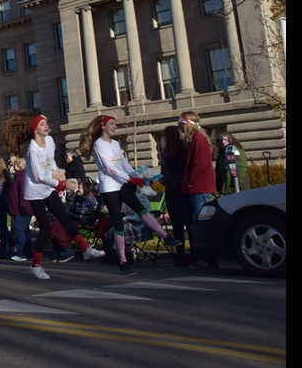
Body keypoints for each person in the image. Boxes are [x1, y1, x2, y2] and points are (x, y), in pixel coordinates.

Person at [1, 111, 105, 281]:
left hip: (48, 188)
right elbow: (39, 176)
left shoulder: (49, 141)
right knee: (44, 228)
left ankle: (85, 249)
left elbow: (51, 163)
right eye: (43, 124)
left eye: (47, 123)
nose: (47, 126)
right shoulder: (32, 150)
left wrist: (59, 173)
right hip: (35, 191)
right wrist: (61, 184)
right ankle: (35, 265)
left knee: (63, 217)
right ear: (35, 130)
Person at [78, 115, 182, 275]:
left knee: (141, 209)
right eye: (112, 124)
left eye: (115, 124)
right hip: (110, 188)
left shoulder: (115, 143)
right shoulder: (99, 145)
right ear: (103, 126)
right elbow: (109, 168)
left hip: (122, 184)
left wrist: (137, 176)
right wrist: (131, 179)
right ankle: (123, 260)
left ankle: (165, 236)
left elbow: (123, 163)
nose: (115, 127)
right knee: (118, 221)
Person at [179, 111, 218, 269]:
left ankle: (206, 257)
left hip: (199, 188)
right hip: (196, 188)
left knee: (200, 223)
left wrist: (190, 182)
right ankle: (204, 256)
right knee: (197, 223)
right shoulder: (196, 140)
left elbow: (199, 165)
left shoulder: (199, 139)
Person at [158, 126, 190, 266]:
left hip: (181, 190)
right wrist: (162, 179)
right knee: (177, 225)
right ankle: (180, 254)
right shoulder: (165, 152)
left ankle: (193, 253)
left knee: (187, 223)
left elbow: (183, 171)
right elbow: (164, 171)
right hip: (171, 190)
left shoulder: (183, 151)